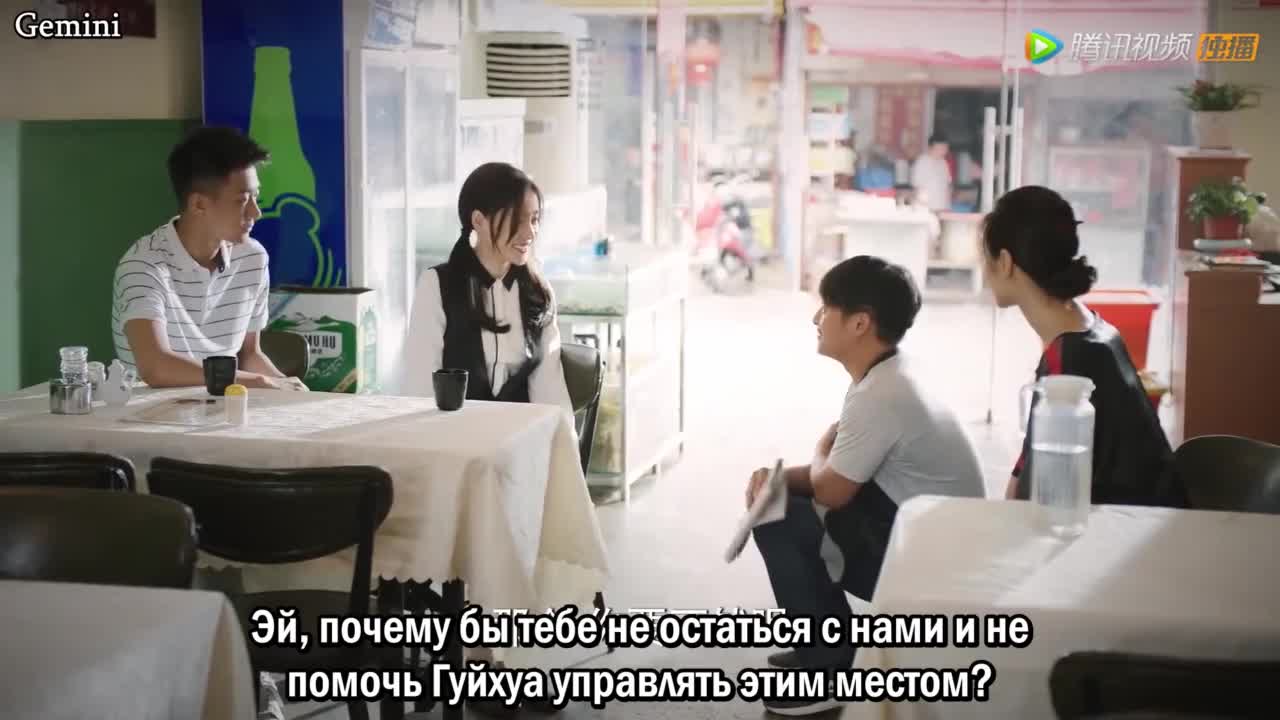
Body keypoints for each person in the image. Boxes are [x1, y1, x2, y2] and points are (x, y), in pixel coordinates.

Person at [745, 256, 985, 716]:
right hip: (936, 545)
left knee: (775, 515)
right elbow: (841, 472)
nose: (816, 319)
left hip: (936, 573)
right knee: (780, 497)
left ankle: (831, 669)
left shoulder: (880, 395)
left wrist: (816, 452)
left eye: (826, 308)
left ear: (859, 323)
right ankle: (825, 646)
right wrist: (776, 477)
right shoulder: (891, 373)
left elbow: (830, 489)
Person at [981, 185, 1185, 507]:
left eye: (986, 258)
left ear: (1005, 262)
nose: (984, 271)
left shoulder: (1068, 362)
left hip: (1126, 528)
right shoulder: (1094, 330)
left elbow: (1042, 496)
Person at [112, 125, 306, 391]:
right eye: (242, 200)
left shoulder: (253, 258)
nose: (256, 212)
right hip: (151, 412)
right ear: (199, 204)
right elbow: (155, 367)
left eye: (256, 197)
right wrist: (260, 382)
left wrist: (289, 390)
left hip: (227, 407)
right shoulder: (143, 266)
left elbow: (249, 356)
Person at [399, 162, 573, 414]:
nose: (530, 233)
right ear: (478, 220)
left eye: (534, 219)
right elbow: (420, 388)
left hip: (520, 434)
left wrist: (562, 437)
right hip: (452, 433)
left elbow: (550, 391)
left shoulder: (537, 292)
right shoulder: (437, 285)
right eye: (517, 219)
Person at [910, 133, 952, 212]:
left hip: (942, 208)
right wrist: (924, 208)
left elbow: (947, 184)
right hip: (927, 209)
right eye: (941, 148)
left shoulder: (943, 163)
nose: (944, 150)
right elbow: (917, 187)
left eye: (946, 148)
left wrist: (947, 206)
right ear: (932, 147)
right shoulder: (922, 162)